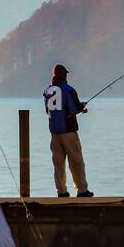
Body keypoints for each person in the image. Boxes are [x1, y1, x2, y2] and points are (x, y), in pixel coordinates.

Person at [44, 64, 93, 197]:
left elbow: (48, 110)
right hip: (68, 132)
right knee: (76, 161)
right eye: (65, 74)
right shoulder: (68, 90)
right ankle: (82, 190)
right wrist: (81, 108)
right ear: (63, 75)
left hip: (54, 132)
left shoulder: (48, 91)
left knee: (58, 164)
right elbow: (73, 109)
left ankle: (61, 191)